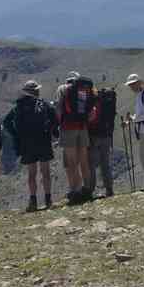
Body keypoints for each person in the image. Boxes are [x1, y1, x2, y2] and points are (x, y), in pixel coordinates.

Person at [4, 80, 57, 212]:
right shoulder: (43, 104)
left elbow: (6, 122)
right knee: (45, 172)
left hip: (27, 143)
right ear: (36, 91)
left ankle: (33, 201)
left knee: (31, 174)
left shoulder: (19, 106)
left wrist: (16, 135)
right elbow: (55, 119)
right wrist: (50, 131)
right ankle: (48, 200)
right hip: (43, 140)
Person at [55, 72, 95, 203]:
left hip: (68, 128)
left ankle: (76, 191)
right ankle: (88, 190)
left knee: (72, 162)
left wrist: (60, 124)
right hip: (82, 128)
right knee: (84, 160)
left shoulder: (63, 89)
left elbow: (59, 110)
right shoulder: (86, 90)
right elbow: (92, 113)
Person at [87, 87, 117, 197]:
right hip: (107, 135)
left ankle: (90, 190)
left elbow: (92, 117)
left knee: (91, 164)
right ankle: (109, 189)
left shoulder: (94, 101)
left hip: (94, 136)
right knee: (105, 163)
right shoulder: (109, 100)